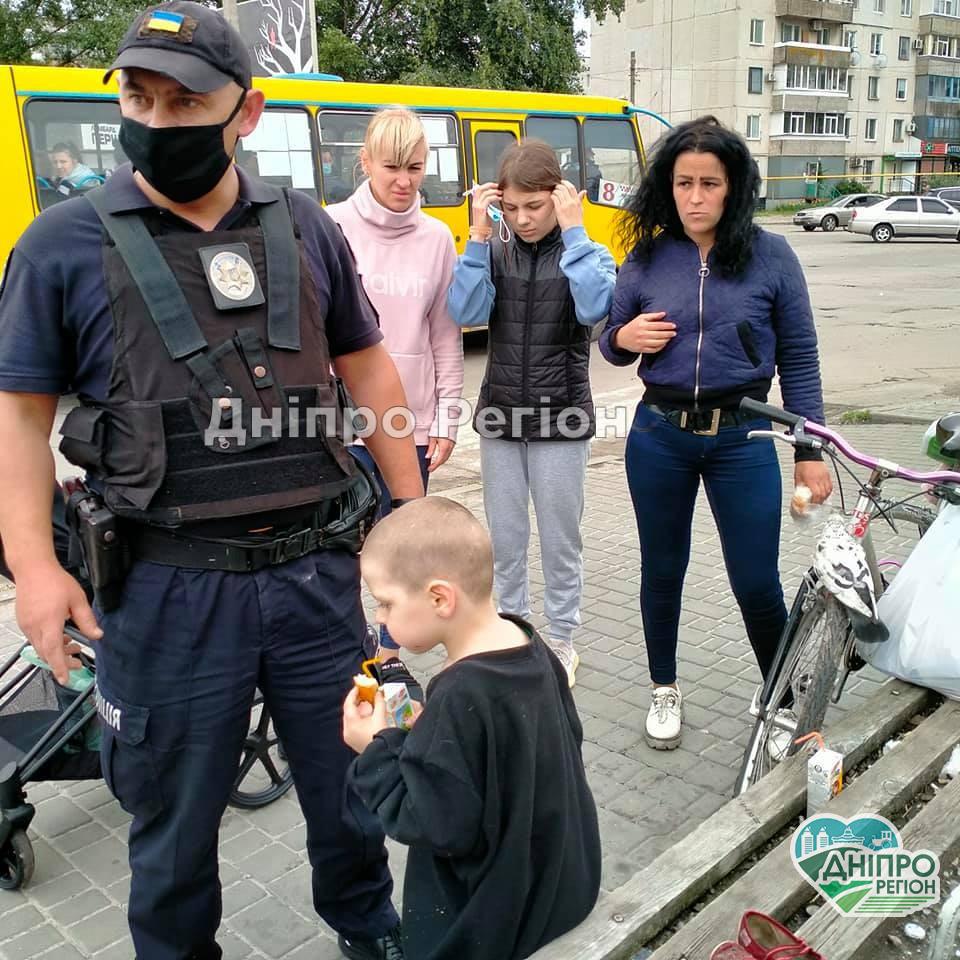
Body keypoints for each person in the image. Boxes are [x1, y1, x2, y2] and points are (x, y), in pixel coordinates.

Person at [0, 3, 424, 959]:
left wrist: (412, 515)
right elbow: (19, 417)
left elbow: (369, 369)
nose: (156, 119)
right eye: (138, 96)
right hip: (166, 590)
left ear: (248, 111)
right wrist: (33, 565)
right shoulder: (61, 244)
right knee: (173, 834)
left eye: (186, 102)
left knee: (354, 790)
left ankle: (371, 932)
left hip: (320, 580)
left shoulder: (308, 229)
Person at [599, 116, 832, 754]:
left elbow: (801, 358)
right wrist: (623, 338)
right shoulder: (647, 255)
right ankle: (664, 688)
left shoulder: (770, 255)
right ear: (667, 187)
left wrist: (812, 450)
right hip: (659, 437)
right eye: (682, 183)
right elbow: (609, 341)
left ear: (733, 188)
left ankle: (783, 700)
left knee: (757, 579)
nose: (694, 196)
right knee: (662, 569)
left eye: (709, 183)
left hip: (745, 437)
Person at [342, 496, 601, 960]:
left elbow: (435, 824)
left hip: (492, 923)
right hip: (559, 888)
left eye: (384, 602)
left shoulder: (460, 694)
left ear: (440, 597)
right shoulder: (530, 644)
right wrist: (425, 737)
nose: (379, 618)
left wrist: (375, 750)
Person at [447, 139, 616, 687]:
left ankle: (562, 639)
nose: (521, 219)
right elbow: (466, 312)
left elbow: (595, 309)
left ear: (560, 199)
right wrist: (476, 236)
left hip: (562, 421)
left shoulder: (586, 252)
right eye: (510, 208)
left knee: (560, 540)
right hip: (499, 418)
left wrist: (574, 232)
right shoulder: (493, 251)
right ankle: (513, 633)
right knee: (506, 539)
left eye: (534, 207)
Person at [326, 107, 464, 661]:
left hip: (412, 428)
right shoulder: (331, 226)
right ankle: (342, 660)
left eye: (415, 167)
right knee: (341, 557)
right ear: (365, 163)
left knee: (402, 559)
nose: (405, 181)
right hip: (339, 429)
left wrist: (448, 416)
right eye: (392, 168)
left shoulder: (436, 239)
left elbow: (445, 337)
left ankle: (387, 661)